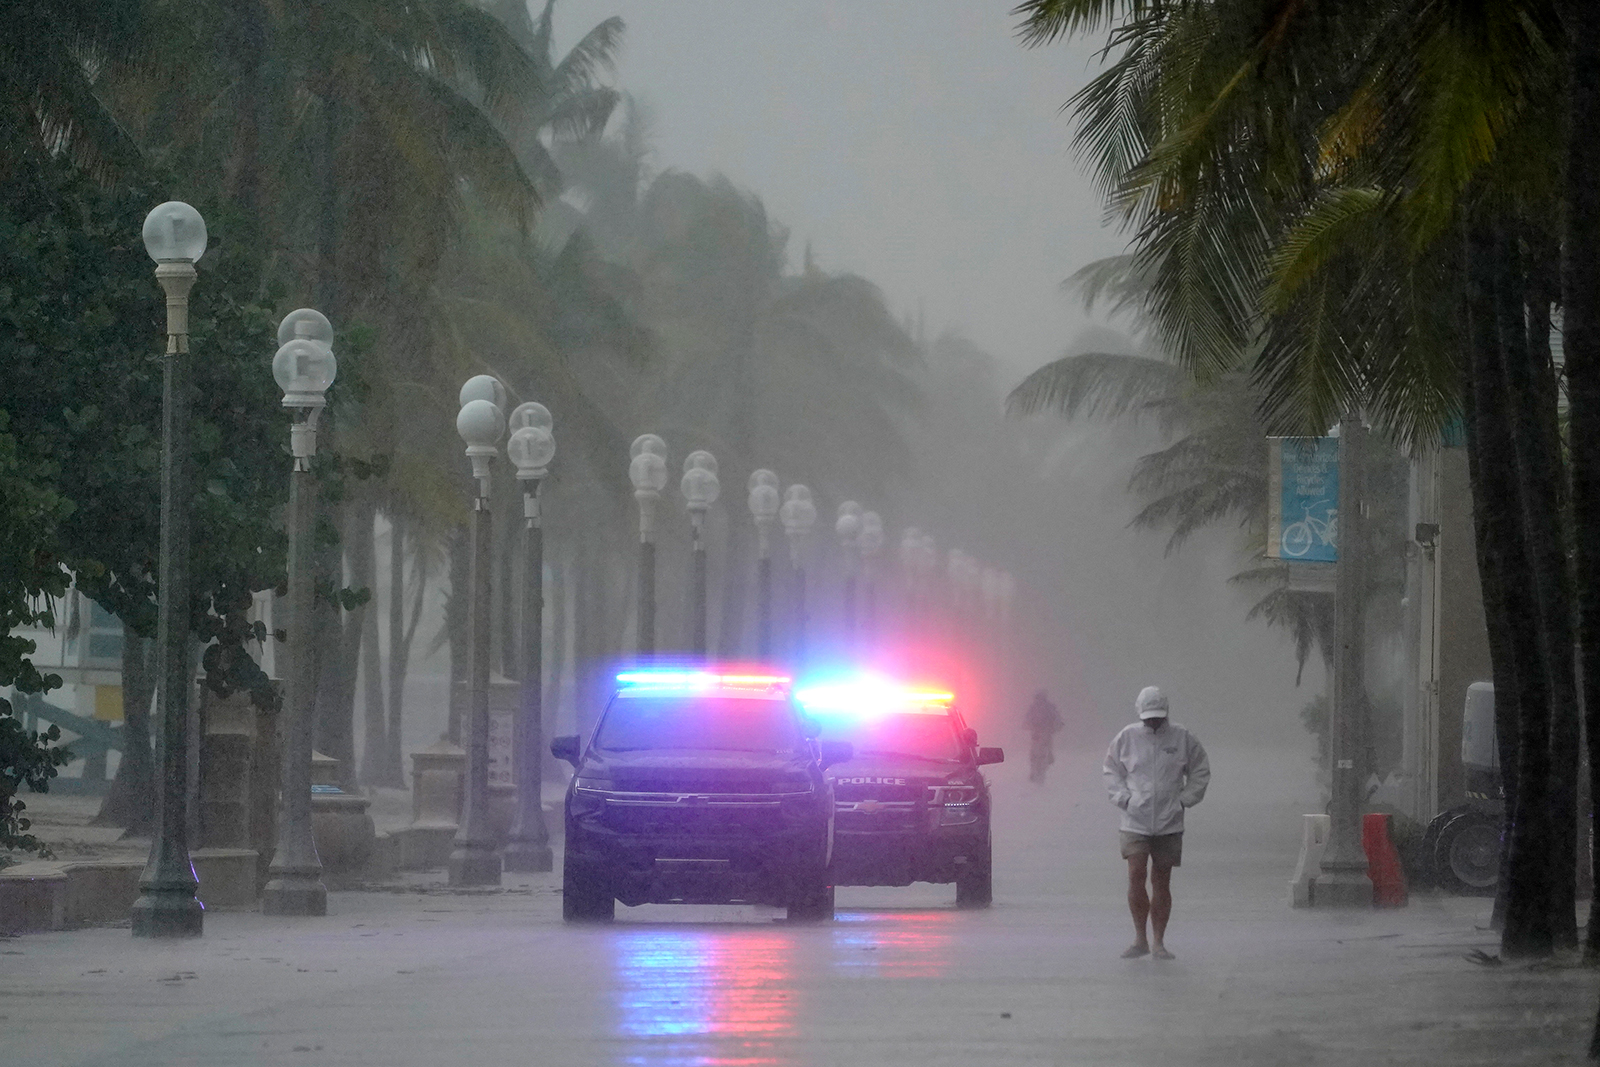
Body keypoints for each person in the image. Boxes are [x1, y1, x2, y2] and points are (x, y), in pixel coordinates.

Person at [1102, 686, 1209, 960]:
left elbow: (1199, 770)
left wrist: (1185, 799)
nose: (1153, 722)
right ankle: (1140, 938)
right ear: (1140, 713)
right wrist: (1123, 798)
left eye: (1158, 717)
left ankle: (1159, 941)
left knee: (1162, 879)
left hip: (1169, 821)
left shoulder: (1183, 738)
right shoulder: (1127, 738)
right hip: (1134, 820)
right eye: (1149, 717)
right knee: (1136, 873)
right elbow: (1111, 770)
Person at [1024, 689, 1063, 783]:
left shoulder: (1033, 707)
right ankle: (1048, 759)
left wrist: (1028, 727)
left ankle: (1034, 770)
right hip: (1046, 734)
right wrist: (1056, 728)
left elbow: (1026, 721)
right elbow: (1058, 720)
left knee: (1034, 753)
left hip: (1036, 734)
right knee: (1047, 749)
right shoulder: (1050, 707)